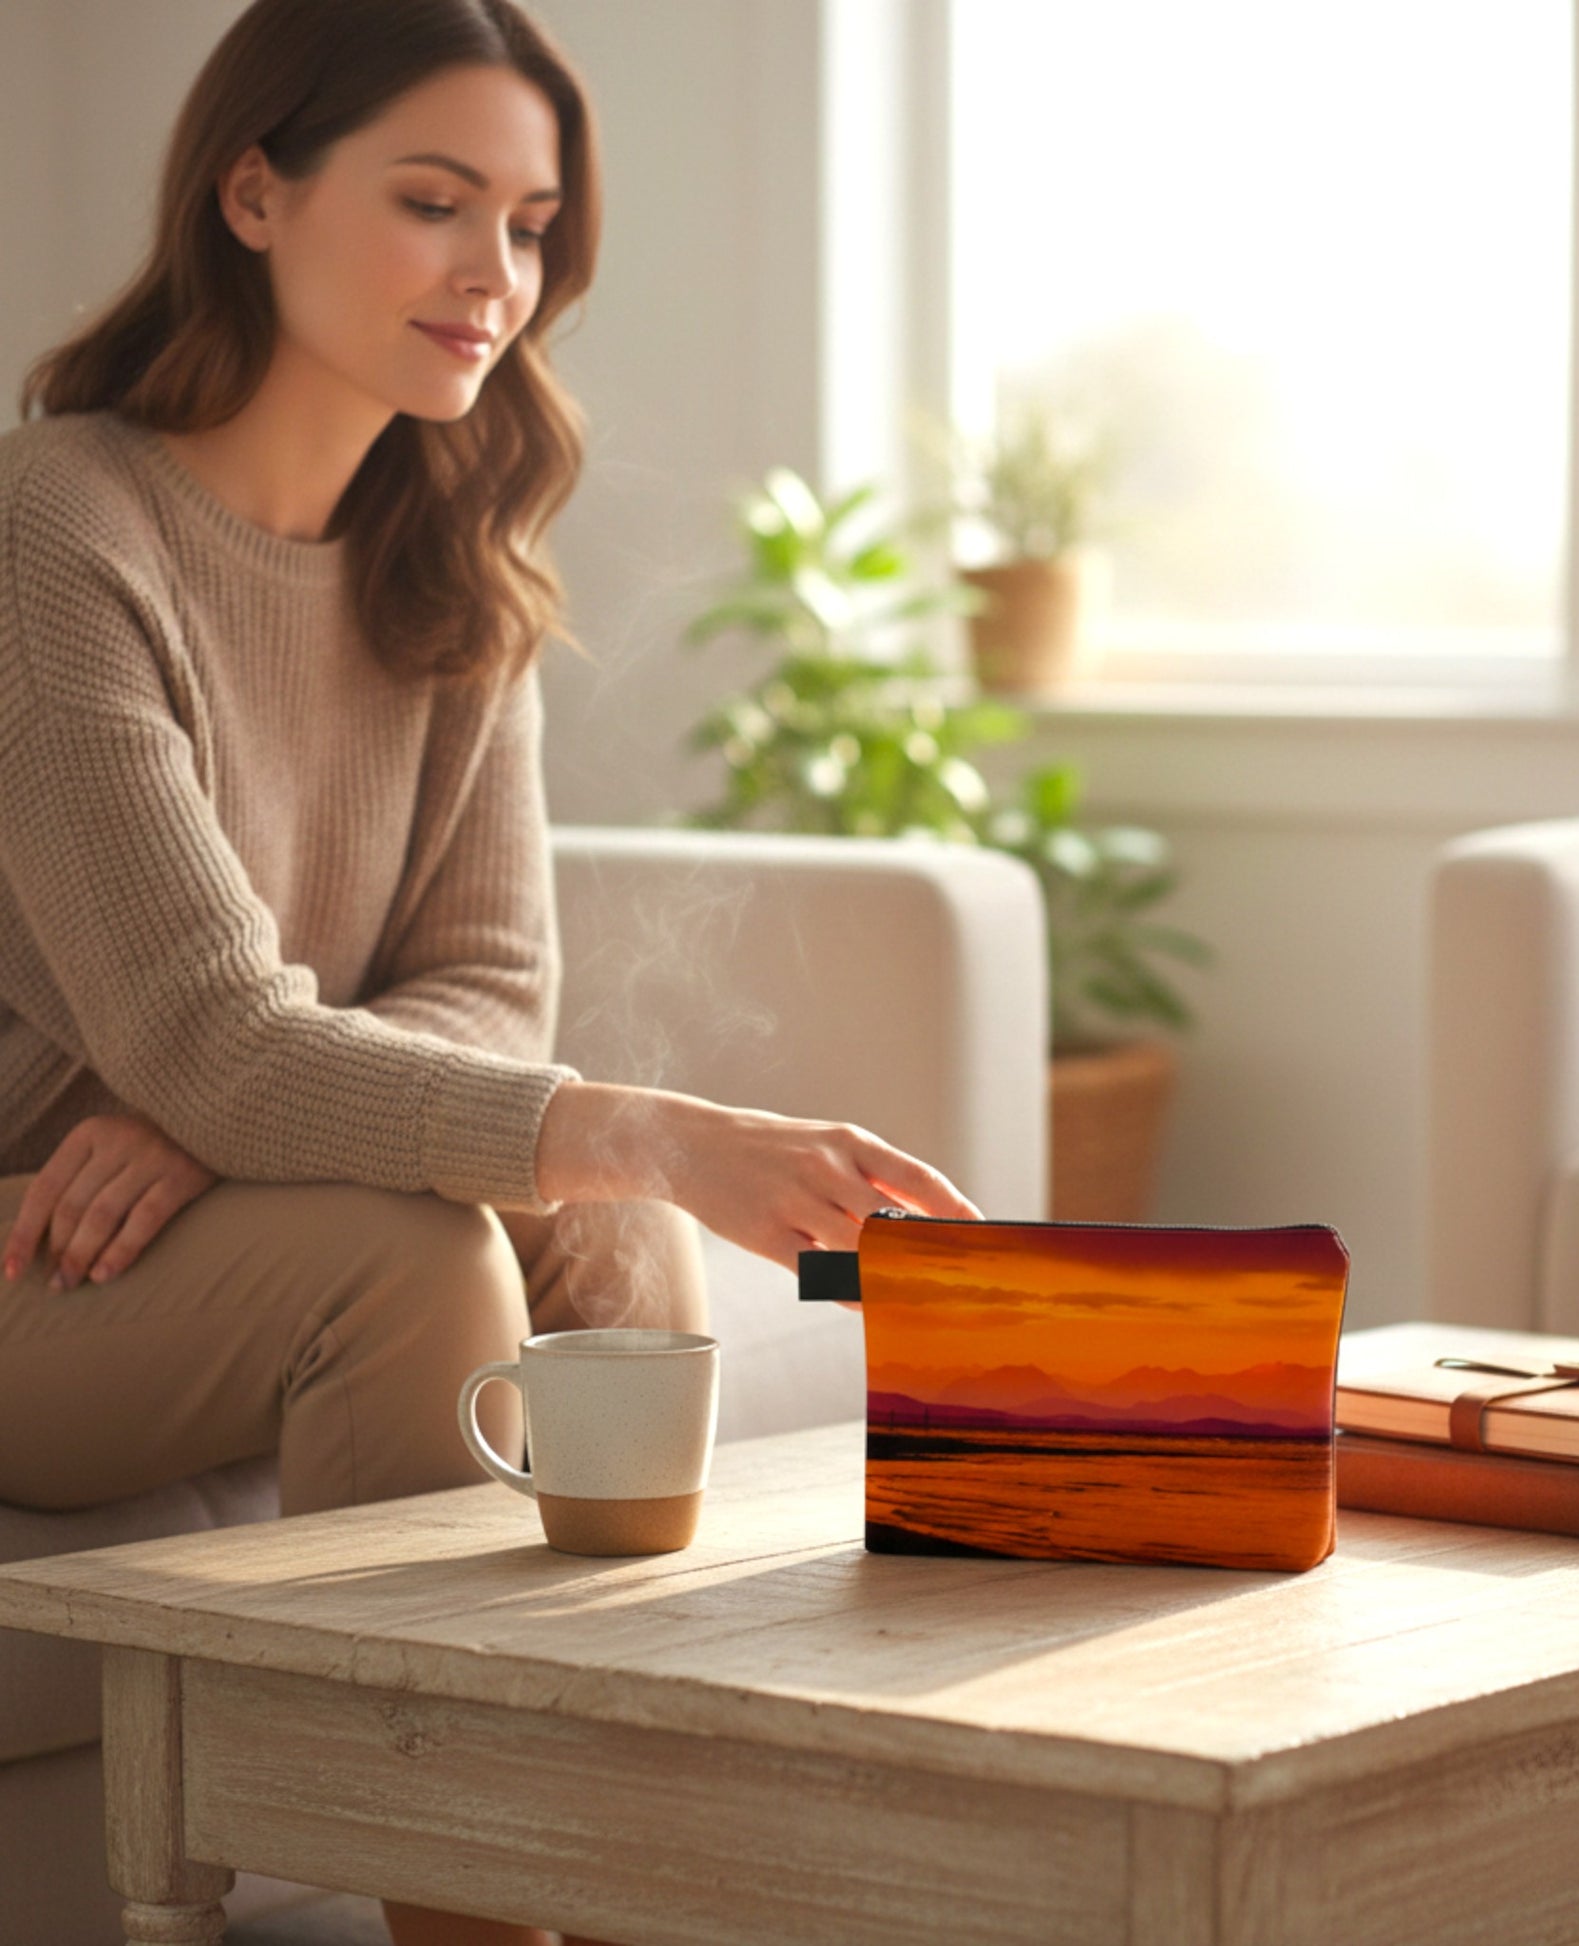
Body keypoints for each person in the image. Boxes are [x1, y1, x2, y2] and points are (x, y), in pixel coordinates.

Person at [0, 3, 978, 1942]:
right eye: (433, 202)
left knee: (614, 1258)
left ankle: (621, 1880)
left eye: (529, 226)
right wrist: (244, 1089)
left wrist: (227, 1112)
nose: (493, 277)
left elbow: (476, 983)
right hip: (40, 1256)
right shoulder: (59, 529)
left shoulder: (450, 566)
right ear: (254, 193)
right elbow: (206, 1032)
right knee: (418, 1251)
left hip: (185, 1190)